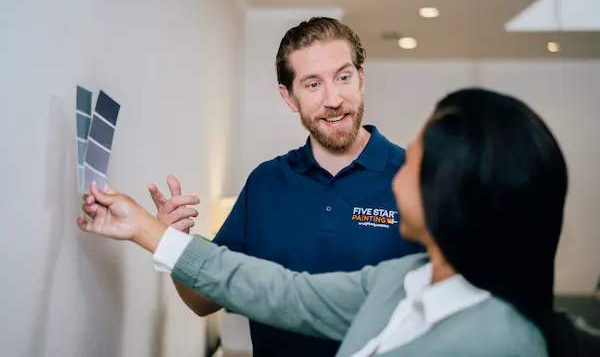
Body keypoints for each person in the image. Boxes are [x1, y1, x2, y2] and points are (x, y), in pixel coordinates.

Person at [79, 87, 567, 356]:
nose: (399, 170)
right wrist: (148, 229)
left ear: (454, 193)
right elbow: (279, 291)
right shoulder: (400, 282)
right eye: (313, 84)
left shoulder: (501, 342)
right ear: (290, 97)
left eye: (416, 159)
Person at [146, 17, 424, 356]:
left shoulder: (416, 178)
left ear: (361, 78)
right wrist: (173, 242)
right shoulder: (265, 183)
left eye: (344, 77)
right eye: (312, 84)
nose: (333, 98)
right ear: (289, 96)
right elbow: (204, 301)